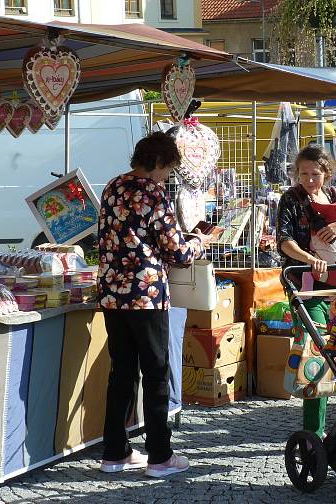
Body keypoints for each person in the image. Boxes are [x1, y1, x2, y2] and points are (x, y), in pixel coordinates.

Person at [97, 132, 213, 478]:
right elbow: (176, 252)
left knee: (122, 373)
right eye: (168, 169)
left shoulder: (113, 187)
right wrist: (199, 241)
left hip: (113, 294)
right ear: (159, 163)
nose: (167, 176)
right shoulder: (154, 192)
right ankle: (160, 456)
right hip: (146, 294)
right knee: (156, 373)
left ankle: (114, 453)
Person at [276, 146, 336, 437]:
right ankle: (313, 433)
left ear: (326, 173)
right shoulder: (291, 199)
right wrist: (309, 259)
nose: (309, 179)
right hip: (309, 286)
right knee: (317, 350)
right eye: (303, 173)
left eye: (315, 174)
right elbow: (284, 240)